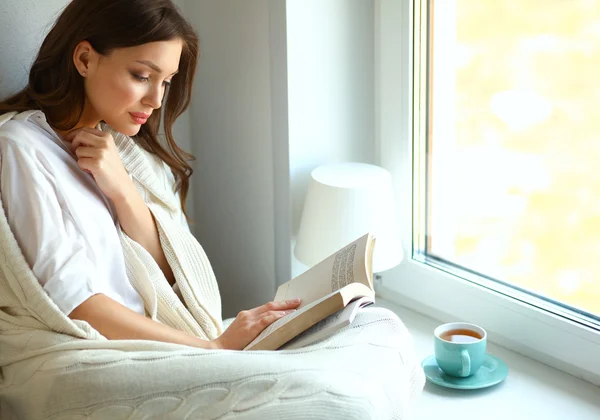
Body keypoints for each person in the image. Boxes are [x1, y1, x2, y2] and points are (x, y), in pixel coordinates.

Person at [0, 0, 300, 351]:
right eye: (142, 76)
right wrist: (213, 350)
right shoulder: (21, 147)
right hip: (103, 354)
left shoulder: (124, 155)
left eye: (166, 82)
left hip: (169, 342)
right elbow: (75, 304)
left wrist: (124, 192)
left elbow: (176, 275)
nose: (156, 100)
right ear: (84, 59)